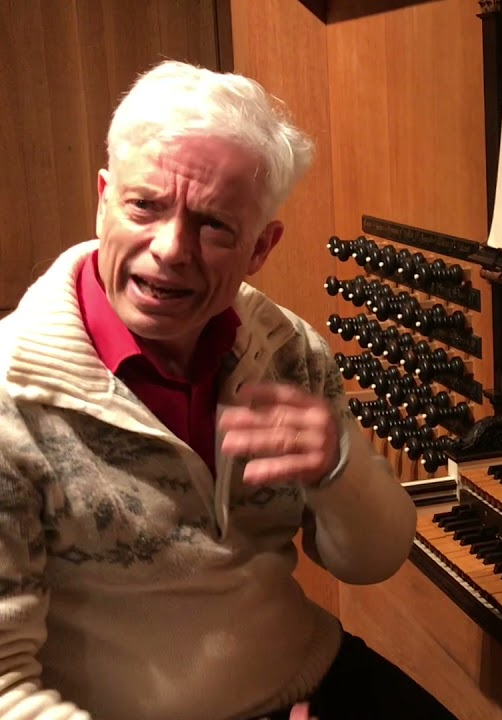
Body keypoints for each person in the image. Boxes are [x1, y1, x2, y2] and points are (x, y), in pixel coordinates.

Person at [0, 60, 454, 719]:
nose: (171, 249)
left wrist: (339, 469)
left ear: (261, 247)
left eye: (214, 225)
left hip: (307, 678)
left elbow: (373, 561)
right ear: (103, 200)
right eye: (144, 206)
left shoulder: (286, 350)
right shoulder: (11, 395)